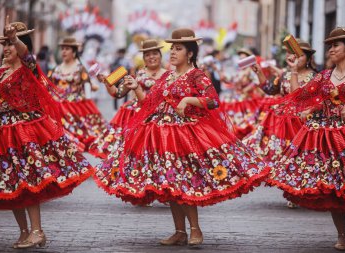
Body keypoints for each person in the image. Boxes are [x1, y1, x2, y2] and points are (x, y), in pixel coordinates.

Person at [94, 28, 269, 246]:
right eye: (172, 49)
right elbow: (148, 103)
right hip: (161, 135)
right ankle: (180, 232)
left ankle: (196, 230)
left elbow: (213, 100)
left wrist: (188, 100)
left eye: (178, 49)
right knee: (170, 184)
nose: (173, 53)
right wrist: (137, 87)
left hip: (186, 136)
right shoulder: (168, 76)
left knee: (184, 183)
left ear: (190, 53)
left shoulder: (197, 75)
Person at [0, 18, 94, 248]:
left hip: (24, 132)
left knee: (29, 180)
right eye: (6, 44)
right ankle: (24, 232)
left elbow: (25, 53)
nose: (8, 47)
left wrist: (15, 39)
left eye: (13, 43)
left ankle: (37, 231)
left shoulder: (28, 66)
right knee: (11, 184)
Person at [267, 27, 345, 251]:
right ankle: (342, 235)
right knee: (333, 190)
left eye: (336, 45)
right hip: (326, 138)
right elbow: (301, 96)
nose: (331, 49)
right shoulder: (324, 77)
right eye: (330, 45)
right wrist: (294, 70)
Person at [88, 39, 168, 158]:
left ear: (160, 56)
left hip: (160, 114)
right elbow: (118, 93)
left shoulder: (170, 75)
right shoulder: (137, 74)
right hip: (136, 114)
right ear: (143, 58)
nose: (151, 57)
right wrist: (107, 82)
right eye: (147, 55)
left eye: (155, 54)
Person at [48, 37, 107, 151]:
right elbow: (49, 86)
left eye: (67, 49)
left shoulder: (80, 69)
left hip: (74, 103)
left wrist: (90, 94)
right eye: (62, 49)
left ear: (74, 52)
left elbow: (88, 86)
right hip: (57, 103)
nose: (64, 51)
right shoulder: (56, 69)